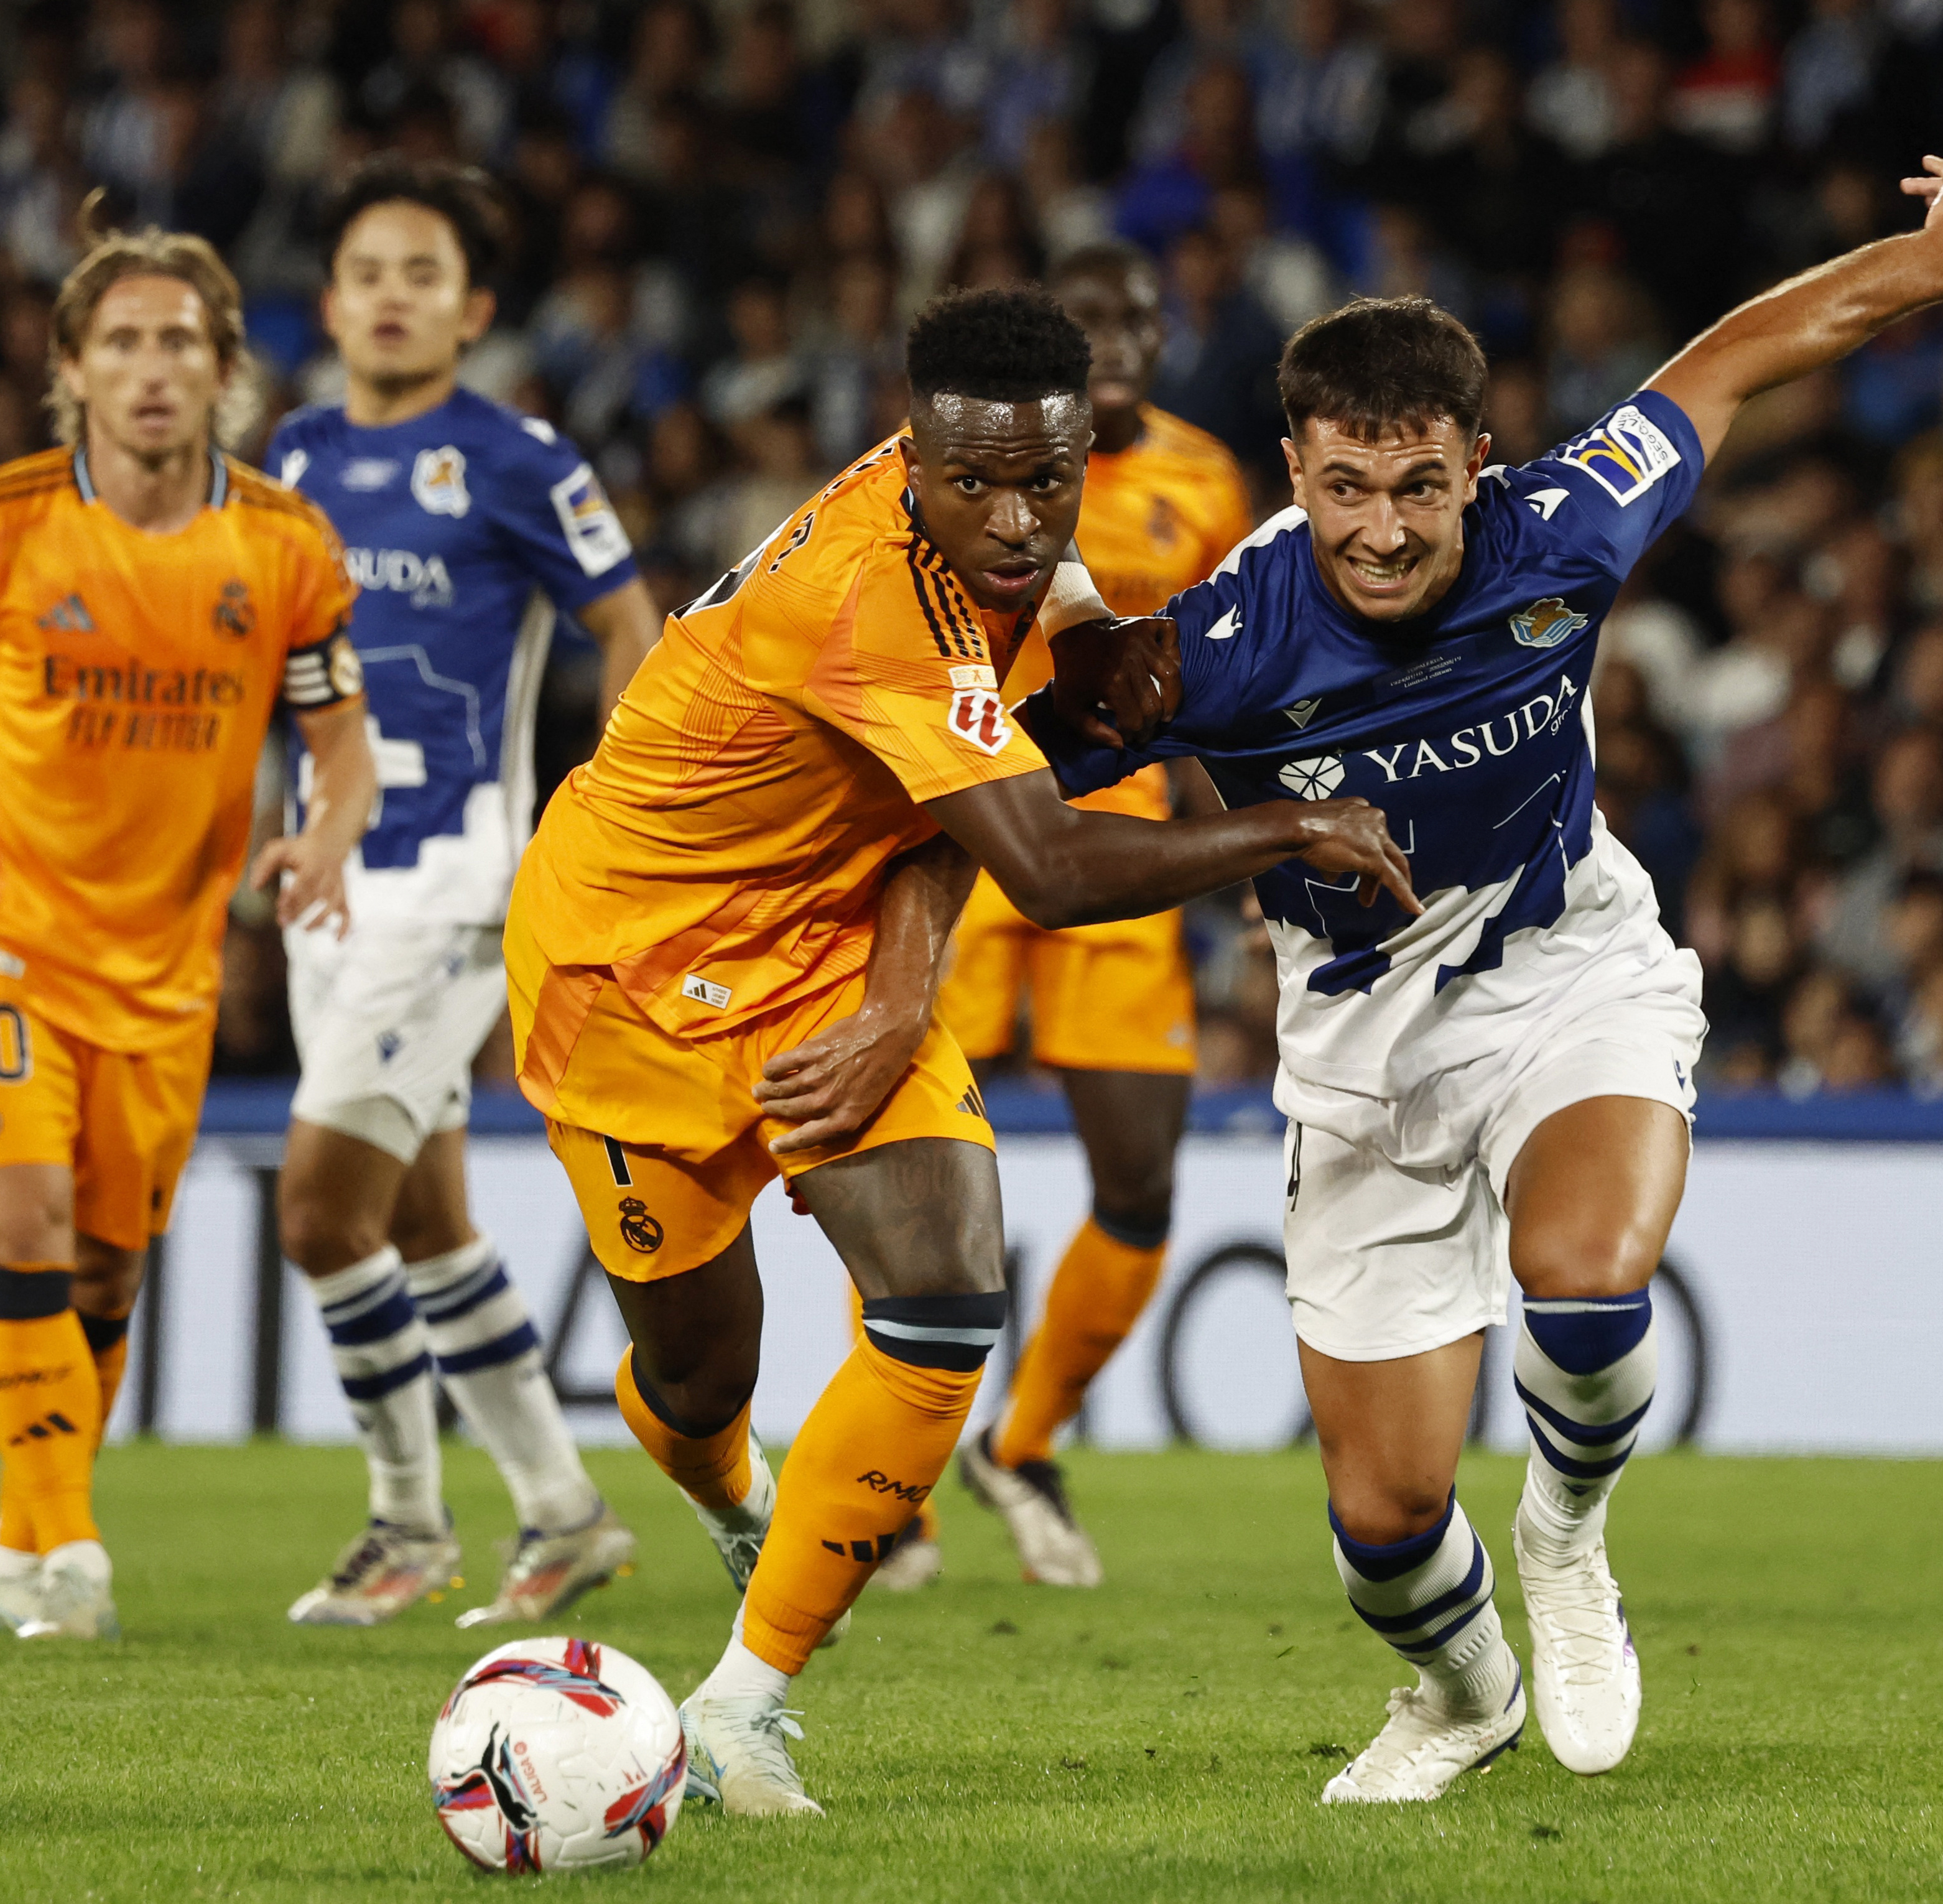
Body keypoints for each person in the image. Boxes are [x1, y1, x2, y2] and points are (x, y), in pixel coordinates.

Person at [1021, 158, 1943, 1801]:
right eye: (1345, 486)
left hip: (1568, 964)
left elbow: (1736, 353)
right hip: (1358, 1042)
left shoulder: (1562, 525)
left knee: (1584, 1267)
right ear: (1296, 467)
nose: (1383, 527)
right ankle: (1461, 1688)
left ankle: (1564, 1538)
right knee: (1383, 1524)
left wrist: (1925, 263)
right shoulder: (1215, 644)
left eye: (1417, 484)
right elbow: (1008, 795)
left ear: (1474, 463)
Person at [501, 285, 1414, 1816]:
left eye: (1044, 483)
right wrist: (1289, 826)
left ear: (1078, 453)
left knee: (941, 1286)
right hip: (625, 967)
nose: (1013, 517)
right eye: (974, 483)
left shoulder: (980, 527)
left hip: (818, 944)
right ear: (907, 447)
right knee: (694, 1370)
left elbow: (970, 772)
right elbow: (1046, 867)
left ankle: (740, 1704)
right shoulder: (872, 601)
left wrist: (897, 992)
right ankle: (735, 1496)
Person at [0, 207, 379, 1643]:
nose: (150, 368)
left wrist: (323, 833)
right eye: (121, 342)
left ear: (222, 370)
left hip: (165, 966)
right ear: (71, 368)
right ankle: (67, 1544)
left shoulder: (286, 545)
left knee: (106, 1266)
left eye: (177, 343)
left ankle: (23, 1543)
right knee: (24, 1210)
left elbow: (342, 748)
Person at [266, 158, 660, 1630]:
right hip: (328, 883)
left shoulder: (518, 459)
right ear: (330, 301)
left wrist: (601, 816)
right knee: (424, 1219)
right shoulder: (293, 458)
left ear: (474, 308)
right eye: (367, 270)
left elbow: (632, 624)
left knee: (318, 1208)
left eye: (422, 273)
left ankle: (406, 1521)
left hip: (453, 881)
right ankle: (562, 1513)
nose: (390, 296)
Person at [937, 241, 1256, 1592]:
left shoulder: (1206, 480)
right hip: (958, 835)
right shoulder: (970, 460)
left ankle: (1022, 1441)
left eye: (1138, 311)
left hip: (1114, 843)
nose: (1119, 335)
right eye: (1092, 319)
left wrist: (1247, 860)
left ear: (1164, 326)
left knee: (1139, 1178)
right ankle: (895, 1478)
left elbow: (1234, 676)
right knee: (905, 1153)